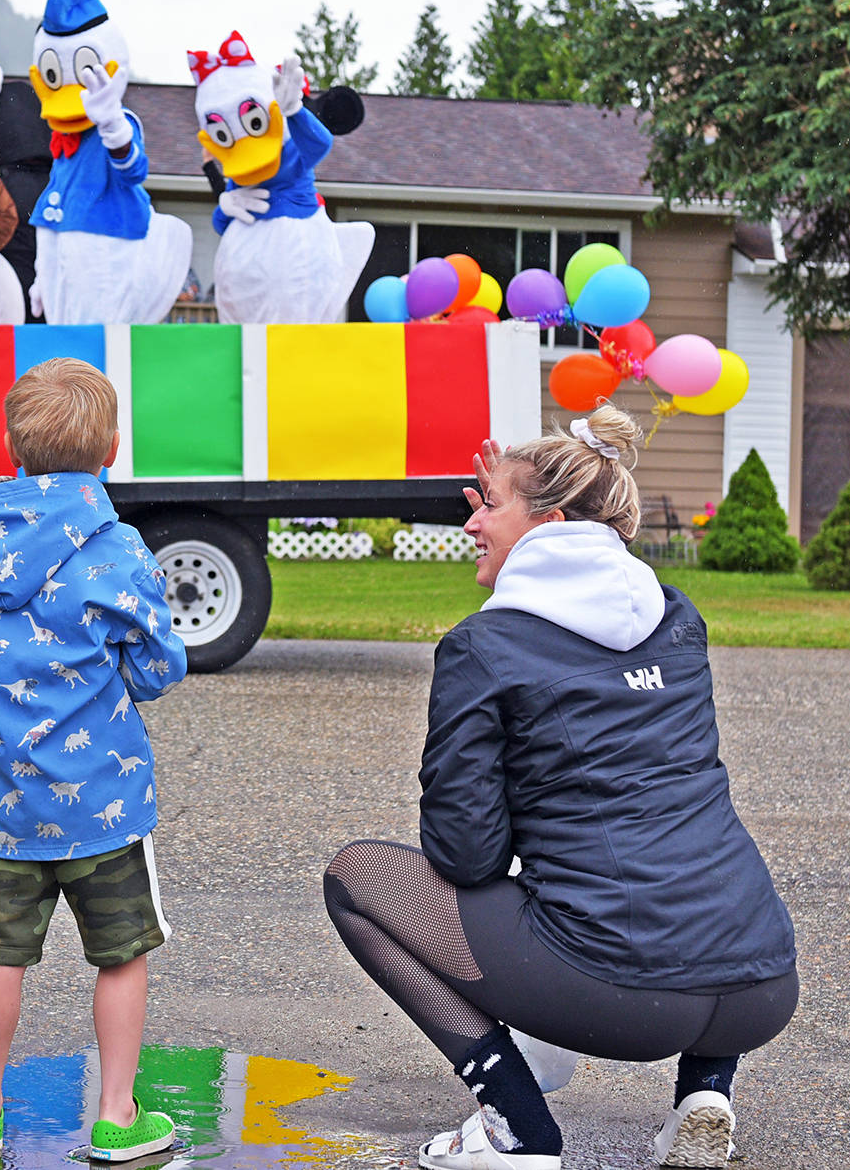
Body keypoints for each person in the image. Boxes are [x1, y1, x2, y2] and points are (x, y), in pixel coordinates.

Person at [320, 404, 797, 1170]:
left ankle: (517, 1129)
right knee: (683, 849)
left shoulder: (483, 646)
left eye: (491, 505)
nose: (471, 524)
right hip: (760, 984)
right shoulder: (678, 619)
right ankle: (705, 1092)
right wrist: (514, 523)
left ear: (553, 522)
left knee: (357, 878)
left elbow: (466, 855)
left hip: (628, 1000)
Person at [0, 358, 189, 1162]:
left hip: (1, 808)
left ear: (11, 443)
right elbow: (158, 665)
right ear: (111, 447)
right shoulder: (116, 551)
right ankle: (116, 1114)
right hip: (103, 807)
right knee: (122, 956)